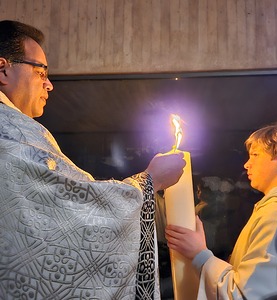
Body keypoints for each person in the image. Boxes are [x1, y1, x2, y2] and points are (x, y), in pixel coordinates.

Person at [0, 20, 185, 300]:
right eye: (41, 72)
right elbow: (74, 218)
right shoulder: (11, 134)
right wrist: (149, 181)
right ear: (3, 68)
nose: (49, 85)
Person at [165, 120, 277, 299]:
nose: (246, 164)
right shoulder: (275, 210)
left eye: (255, 155)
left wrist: (200, 254)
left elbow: (244, 295)